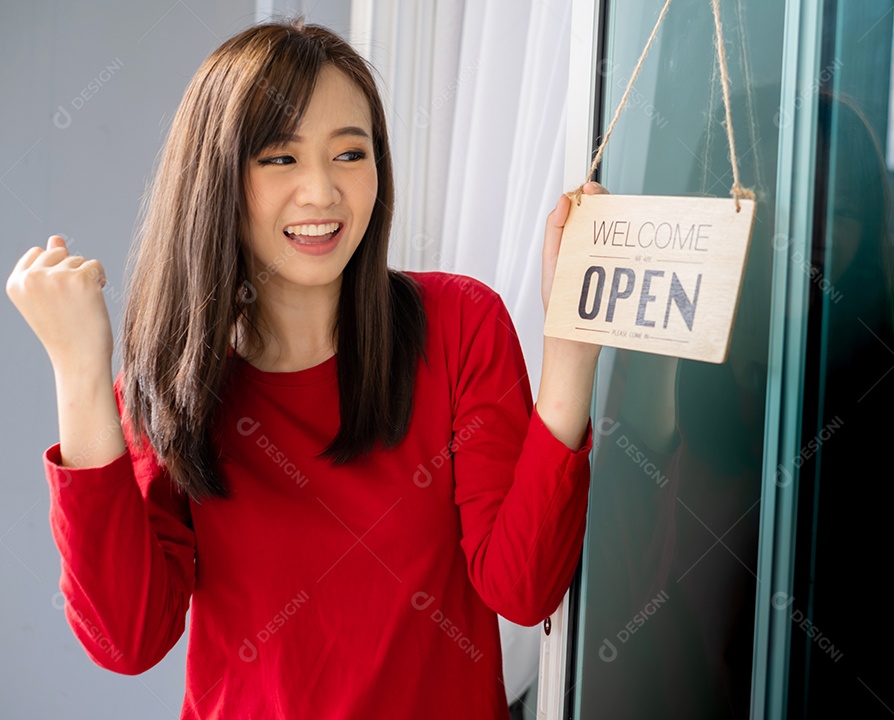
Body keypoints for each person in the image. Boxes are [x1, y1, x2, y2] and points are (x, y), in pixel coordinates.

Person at [6, 18, 605, 719]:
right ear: (218, 181)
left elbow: (523, 588)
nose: (322, 192)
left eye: (350, 154)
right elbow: (128, 639)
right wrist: (80, 371)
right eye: (280, 158)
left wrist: (569, 344)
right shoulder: (171, 387)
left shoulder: (461, 325)